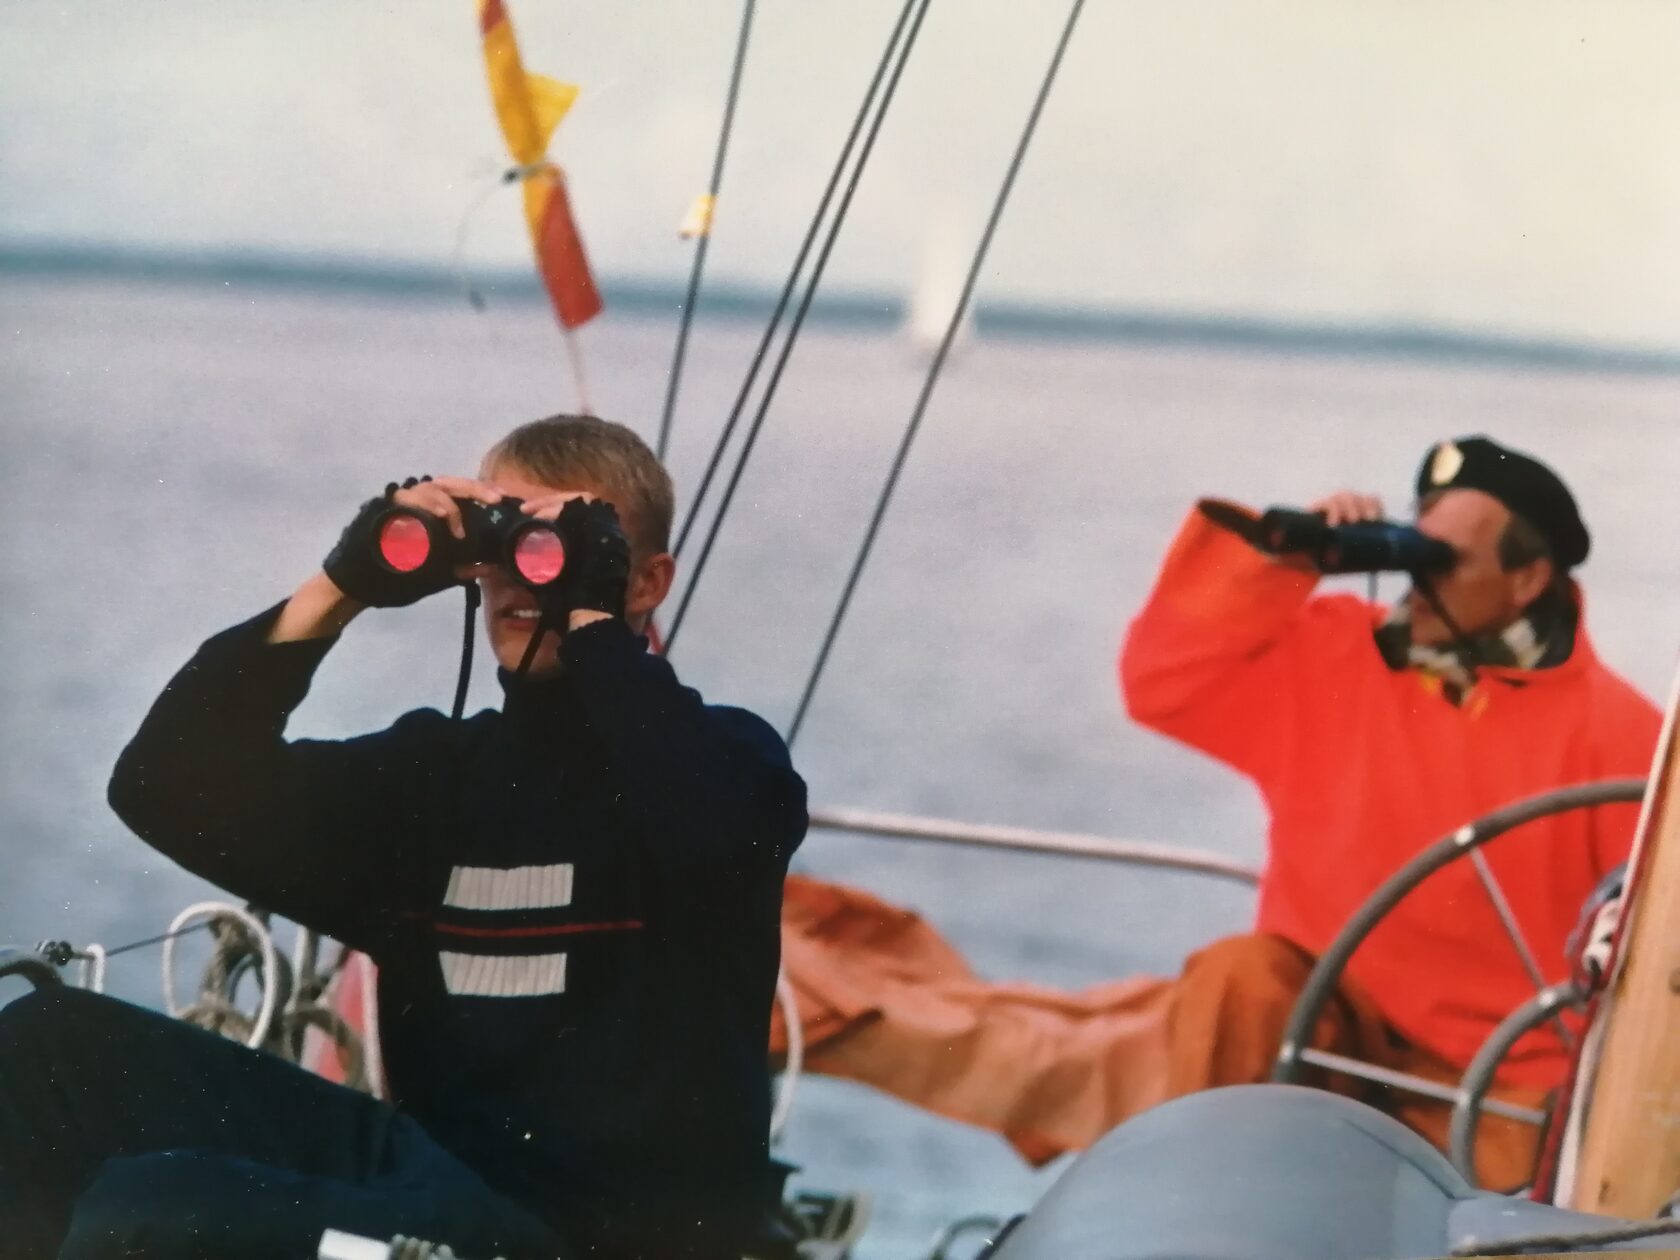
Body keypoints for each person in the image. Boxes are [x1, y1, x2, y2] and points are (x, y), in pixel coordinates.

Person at [0, 415, 807, 1260]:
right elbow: (164, 786)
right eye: (508, 542)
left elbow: (713, 830)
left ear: (647, 582)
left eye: (567, 546)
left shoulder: (726, 766)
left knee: (153, 1211)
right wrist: (340, 586)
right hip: (430, 1187)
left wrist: (594, 627)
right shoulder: (432, 783)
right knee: (48, 1048)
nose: (525, 574)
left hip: (605, 1242)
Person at [763, 434, 1659, 1192]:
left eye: (1443, 562)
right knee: (1241, 974)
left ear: (1528, 578)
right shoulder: (1339, 658)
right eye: (1408, 554)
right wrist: (1285, 563)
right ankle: (1196, 1211)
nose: (1415, 583)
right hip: (1314, 1034)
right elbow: (1163, 681)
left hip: (1492, 1089)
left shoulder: (1623, 737)